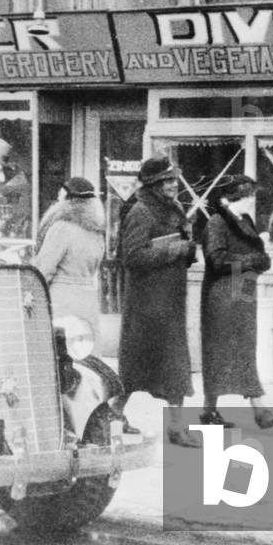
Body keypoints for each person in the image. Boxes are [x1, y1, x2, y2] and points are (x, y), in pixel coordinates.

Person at [112, 155, 199, 447]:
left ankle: (176, 428)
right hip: (146, 306)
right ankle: (112, 416)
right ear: (153, 184)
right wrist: (176, 249)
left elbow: (179, 250)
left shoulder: (175, 209)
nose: (174, 185)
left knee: (175, 369)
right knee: (134, 370)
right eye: (166, 180)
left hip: (170, 303)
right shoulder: (141, 211)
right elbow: (132, 256)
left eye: (174, 179)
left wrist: (189, 248)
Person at [199, 174, 273, 430]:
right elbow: (217, 260)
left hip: (242, 293)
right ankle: (259, 409)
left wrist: (261, 260)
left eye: (251, 195)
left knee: (241, 350)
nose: (251, 200)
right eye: (247, 196)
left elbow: (257, 255)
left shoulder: (245, 221)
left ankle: (210, 411)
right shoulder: (217, 222)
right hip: (222, 297)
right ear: (231, 198)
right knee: (221, 353)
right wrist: (253, 261)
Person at [33, 177, 106, 338]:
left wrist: (30, 293)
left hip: (62, 300)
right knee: (84, 348)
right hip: (88, 300)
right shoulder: (96, 232)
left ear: (68, 200)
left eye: (60, 196)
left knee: (59, 347)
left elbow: (44, 269)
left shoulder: (61, 228)